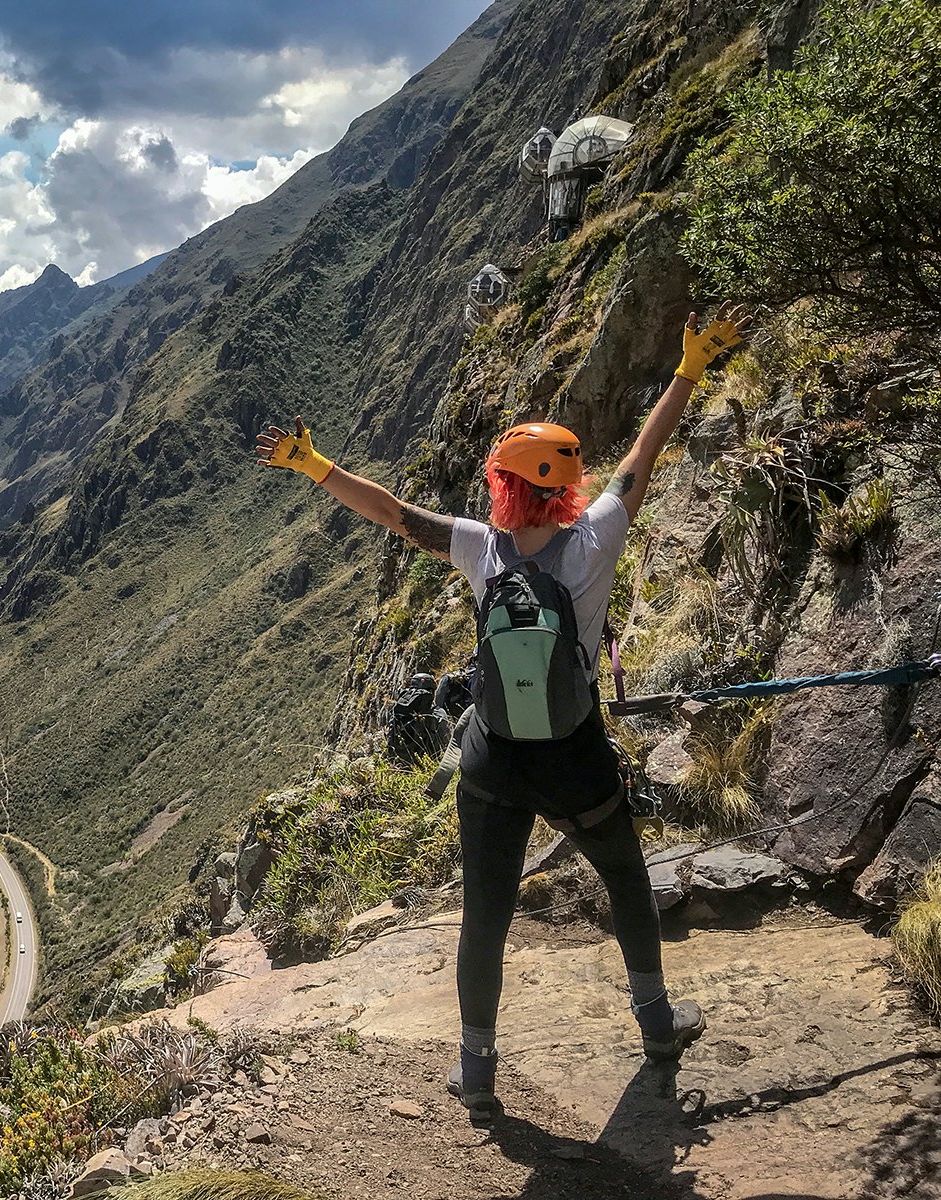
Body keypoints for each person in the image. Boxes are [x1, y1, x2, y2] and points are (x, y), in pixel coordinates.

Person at [256, 305, 749, 1121]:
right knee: (625, 876)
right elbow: (642, 460)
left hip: (491, 761)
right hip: (574, 754)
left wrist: (315, 466)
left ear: (505, 486)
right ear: (565, 484)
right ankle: (657, 1023)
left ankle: (476, 1072)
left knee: (485, 914)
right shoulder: (594, 539)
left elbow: (393, 513)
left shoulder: (481, 549)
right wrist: (688, 369)